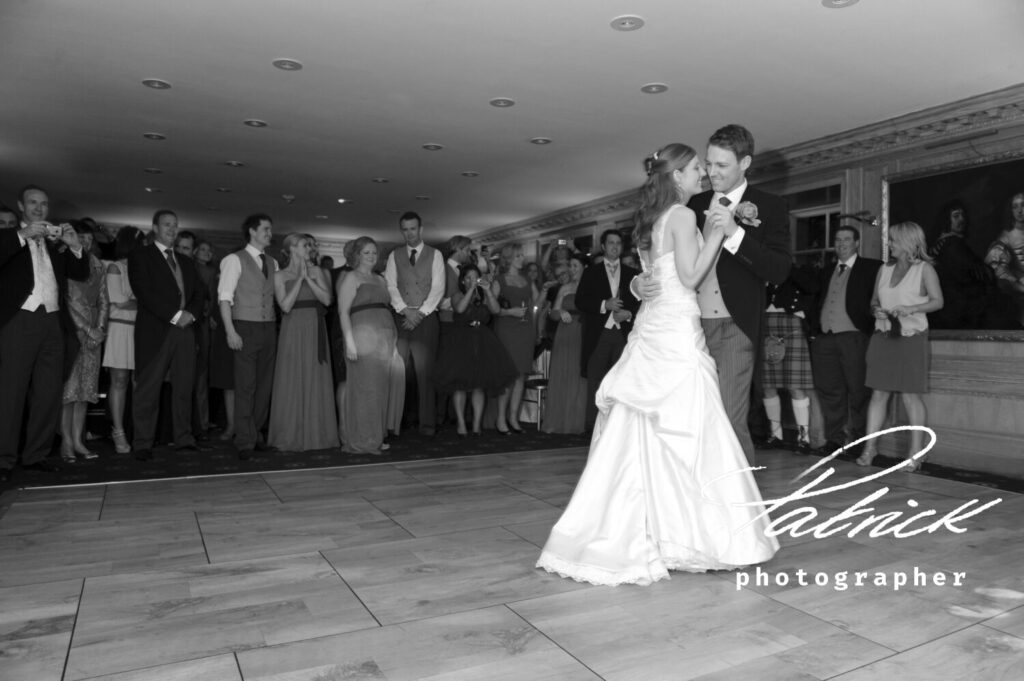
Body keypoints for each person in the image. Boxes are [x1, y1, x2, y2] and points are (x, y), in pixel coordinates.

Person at [536, 143, 778, 586]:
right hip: (676, 330)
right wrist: (719, 236)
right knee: (691, 426)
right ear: (676, 177)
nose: (702, 175)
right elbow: (689, 277)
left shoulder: (649, 220)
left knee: (644, 429)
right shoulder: (684, 216)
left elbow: (652, 273)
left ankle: (641, 528)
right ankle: (690, 533)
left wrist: (635, 279)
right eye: (695, 170)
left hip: (653, 326)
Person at [635, 124, 790, 465]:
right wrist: (636, 285)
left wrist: (735, 232)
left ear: (745, 163)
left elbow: (779, 269)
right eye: (707, 163)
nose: (710, 172)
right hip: (690, 327)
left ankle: (739, 500)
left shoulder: (770, 206)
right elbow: (658, 252)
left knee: (728, 418)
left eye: (721, 165)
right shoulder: (691, 202)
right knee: (689, 418)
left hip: (735, 326)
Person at [0, 186, 89, 482]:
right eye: (33, 203)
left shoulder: (55, 243)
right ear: (21, 206)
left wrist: (74, 245)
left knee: (48, 392)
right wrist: (20, 237)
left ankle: (36, 455)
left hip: (52, 321)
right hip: (20, 319)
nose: (39, 208)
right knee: (11, 391)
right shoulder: (9, 237)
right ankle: (4, 458)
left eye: (44, 204)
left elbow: (79, 272)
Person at [856, 221, 944, 471]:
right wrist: (877, 312)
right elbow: (874, 301)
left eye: (893, 240)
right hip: (883, 338)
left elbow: (938, 302)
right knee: (878, 394)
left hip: (911, 339)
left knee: (910, 395)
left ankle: (916, 453)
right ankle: (870, 448)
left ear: (907, 242)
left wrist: (911, 308)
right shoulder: (883, 270)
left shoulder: (924, 270)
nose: (890, 244)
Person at [128, 210, 207, 462]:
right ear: (155, 227)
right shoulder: (141, 256)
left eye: (175, 225)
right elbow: (144, 292)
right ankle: (142, 443)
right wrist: (175, 314)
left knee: (184, 387)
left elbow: (198, 294)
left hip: (185, 330)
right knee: (148, 390)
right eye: (167, 225)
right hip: (156, 331)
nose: (172, 229)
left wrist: (190, 315)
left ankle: (184, 438)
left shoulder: (185, 261)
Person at [803, 226, 882, 457]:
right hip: (825, 339)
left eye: (847, 239)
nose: (841, 244)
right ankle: (835, 440)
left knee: (859, 391)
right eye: (837, 240)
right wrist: (814, 331)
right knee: (829, 391)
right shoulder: (826, 270)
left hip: (855, 337)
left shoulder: (871, 267)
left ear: (857, 243)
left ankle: (859, 442)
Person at [267, 233, 339, 451]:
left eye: (308, 245)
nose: (308, 248)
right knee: (291, 378)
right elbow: (285, 306)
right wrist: (299, 279)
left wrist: (309, 278)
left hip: (316, 329)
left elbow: (327, 300)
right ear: (291, 249)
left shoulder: (320, 271)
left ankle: (318, 436)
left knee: (316, 378)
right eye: (303, 245)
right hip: (292, 330)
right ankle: (290, 435)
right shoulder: (280, 276)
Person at [218, 214, 278, 460]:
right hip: (244, 326)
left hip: (269, 327)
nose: (269, 233)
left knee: (264, 386)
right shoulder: (234, 259)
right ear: (252, 231)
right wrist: (230, 330)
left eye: (270, 230)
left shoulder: (273, 263)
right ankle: (244, 440)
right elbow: (224, 298)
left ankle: (257, 435)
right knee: (246, 386)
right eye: (265, 229)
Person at [433, 264, 517, 436]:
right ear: (463, 280)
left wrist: (488, 291)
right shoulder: (457, 295)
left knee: (479, 386)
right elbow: (460, 308)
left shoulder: (484, 294)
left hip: (483, 339)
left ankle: (477, 425)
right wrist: (471, 290)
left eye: (475, 277)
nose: (472, 280)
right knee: (460, 385)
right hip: (461, 340)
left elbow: (495, 310)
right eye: (469, 277)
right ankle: (461, 424)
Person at [383, 212, 444, 436]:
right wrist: (404, 310)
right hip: (401, 319)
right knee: (399, 372)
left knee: (425, 373)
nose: (409, 233)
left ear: (420, 229)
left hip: (426, 320)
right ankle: (397, 422)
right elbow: (390, 286)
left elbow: (438, 288)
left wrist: (420, 313)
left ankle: (427, 423)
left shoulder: (435, 255)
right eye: (405, 229)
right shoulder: (394, 255)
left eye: (412, 229)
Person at [576, 230, 640, 432]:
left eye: (618, 243)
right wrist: (605, 304)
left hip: (623, 335)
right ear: (603, 246)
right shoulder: (591, 272)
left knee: (622, 381)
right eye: (611, 243)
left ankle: (619, 430)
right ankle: (593, 428)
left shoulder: (632, 274)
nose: (615, 246)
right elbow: (580, 301)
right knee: (596, 381)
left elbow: (643, 303)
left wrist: (629, 313)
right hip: (599, 334)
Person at [338, 237, 398, 454]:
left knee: (381, 389)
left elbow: (386, 308)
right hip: (362, 337)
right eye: (366, 252)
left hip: (385, 337)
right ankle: (363, 440)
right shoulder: (350, 277)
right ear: (357, 255)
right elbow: (343, 312)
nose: (371, 256)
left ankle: (376, 436)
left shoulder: (380, 279)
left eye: (374, 252)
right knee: (365, 389)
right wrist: (350, 343)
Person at [60, 220, 109, 462]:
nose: (87, 243)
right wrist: (86, 329)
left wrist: (100, 329)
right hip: (72, 331)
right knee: (68, 392)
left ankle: (79, 440)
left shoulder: (98, 264)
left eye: (90, 239)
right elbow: (67, 299)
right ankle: (66, 442)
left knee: (85, 392)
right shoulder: (65, 261)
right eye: (82, 238)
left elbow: (103, 300)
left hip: (93, 335)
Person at [759, 268, 815, 455]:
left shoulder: (796, 271)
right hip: (766, 326)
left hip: (792, 326)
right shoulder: (761, 272)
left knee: (795, 386)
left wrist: (788, 269)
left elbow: (813, 287)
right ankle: (776, 436)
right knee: (768, 386)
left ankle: (803, 438)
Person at [102, 226, 146, 454]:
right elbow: (119, 302)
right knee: (119, 380)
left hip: (141, 329)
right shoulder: (115, 267)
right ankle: (118, 431)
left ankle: (140, 430)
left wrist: (138, 302)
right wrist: (142, 302)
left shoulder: (144, 268)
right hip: (120, 328)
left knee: (140, 382)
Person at [491, 242, 540, 433]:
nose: (522, 259)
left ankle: (513, 418)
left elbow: (536, 302)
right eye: (518, 256)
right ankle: (501, 419)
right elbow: (492, 309)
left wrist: (544, 291)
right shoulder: (500, 280)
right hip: (506, 329)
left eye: (522, 256)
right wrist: (510, 312)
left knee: (521, 376)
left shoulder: (527, 279)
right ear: (509, 258)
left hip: (525, 329)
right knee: (509, 375)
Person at [928, 200, 999, 329]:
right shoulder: (953, 244)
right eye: (956, 216)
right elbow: (972, 275)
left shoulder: (942, 243)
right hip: (958, 308)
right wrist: (988, 271)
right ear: (946, 220)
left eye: (963, 216)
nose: (962, 219)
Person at [542, 253, 588, 434]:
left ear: (584, 268)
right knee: (562, 373)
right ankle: (558, 420)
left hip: (584, 333)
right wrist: (560, 311)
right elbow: (552, 313)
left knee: (580, 377)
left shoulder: (591, 288)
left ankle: (578, 421)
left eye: (576, 266)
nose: (572, 269)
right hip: (565, 334)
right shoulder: (565, 287)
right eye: (571, 266)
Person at [984, 192, 1024, 325]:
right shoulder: (1006, 237)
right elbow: (997, 269)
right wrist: (1018, 283)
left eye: (1023, 205)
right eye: (1015, 207)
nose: (1019, 210)